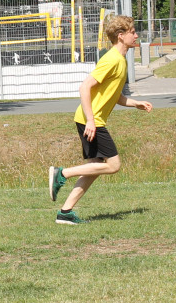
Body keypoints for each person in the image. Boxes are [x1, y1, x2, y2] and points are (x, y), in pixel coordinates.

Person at [47, 15, 152, 224]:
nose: (136, 35)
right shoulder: (112, 59)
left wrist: (135, 103)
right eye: (133, 32)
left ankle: (65, 213)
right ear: (121, 36)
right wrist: (91, 121)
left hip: (90, 120)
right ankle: (61, 174)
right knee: (113, 165)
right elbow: (85, 87)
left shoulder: (120, 61)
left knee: (95, 168)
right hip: (91, 121)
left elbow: (114, 96)